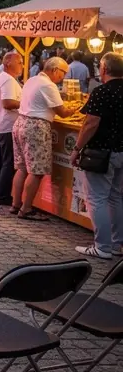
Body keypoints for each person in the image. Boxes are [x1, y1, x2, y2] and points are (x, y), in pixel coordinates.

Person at [70, 52, 123, 259]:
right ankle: (117, 244)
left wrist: (77, 148)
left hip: (101, 152)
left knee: (97, 199)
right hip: (121, 151)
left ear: (104, 69)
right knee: (116, 197)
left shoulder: (102, 92)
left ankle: (102, 246)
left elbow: (91, 123)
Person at [12, 57, 73, 221]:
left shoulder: (32, 80)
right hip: (36, 127)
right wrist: (76, 109)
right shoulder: (48, 85)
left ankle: (16, 203)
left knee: (22, 167)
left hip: (21, 122)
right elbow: (62, 112)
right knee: (36, 170)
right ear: (55, 70)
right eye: (63, 73)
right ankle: (26, 208)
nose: (63, 77)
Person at [0, 51, 23, 207]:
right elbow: (7, 103)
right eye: (19, 62)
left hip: (0, 124)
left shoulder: (3, 78)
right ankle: (2, 195)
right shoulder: (8, 80)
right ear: (8, 63)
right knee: (8, 161)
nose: (22, 66)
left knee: (0, 159)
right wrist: (26, 103)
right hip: (7, 125)